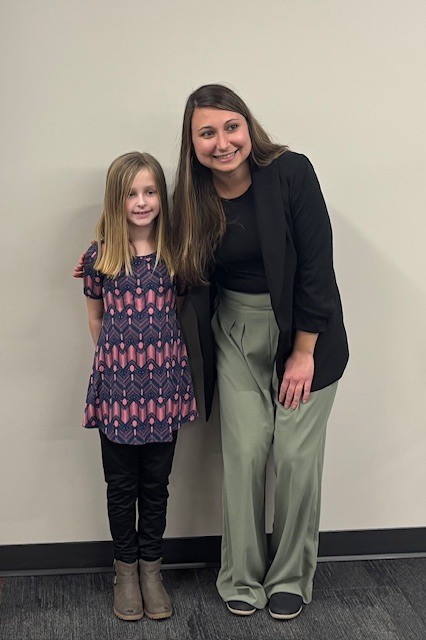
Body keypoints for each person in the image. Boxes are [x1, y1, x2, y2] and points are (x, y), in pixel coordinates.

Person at [171, 84, 349, 620]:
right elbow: (175, 268)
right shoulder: (192, 199)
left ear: (248, 127)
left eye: (231, 127)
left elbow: (318, 268)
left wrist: (302, 352)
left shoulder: (292, 173)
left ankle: (291, 575)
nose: (222, 142)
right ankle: (241, 575)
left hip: (306, 333)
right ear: (193, 141)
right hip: (235, 333)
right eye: (207, 132)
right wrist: (105, 266)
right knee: (246, 453)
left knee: (295, 458)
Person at [81, 151, 198, 622]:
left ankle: (152, 570)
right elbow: (96, 316)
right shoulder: (99, 256)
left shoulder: (176, 253)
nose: (142, 201)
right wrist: (118, 364)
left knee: (156, 484)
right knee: (120, 485)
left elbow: (179, 307)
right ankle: (125, 571)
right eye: (132, 193)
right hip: (117, 391)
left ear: (161, 198)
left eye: (150, 192)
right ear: (117, 199)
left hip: (163, 389)